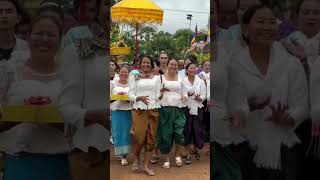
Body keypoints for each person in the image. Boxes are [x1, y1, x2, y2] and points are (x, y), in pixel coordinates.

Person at [230, 5, 308, 180]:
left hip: (282, 150)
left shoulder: (291, 64)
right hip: (243, 148)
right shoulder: (233, 64)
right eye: (261, 22)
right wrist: (246, 106)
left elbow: (302, 105)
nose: (267, 27)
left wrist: (288, 118)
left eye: (272, 23)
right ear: (245, 28)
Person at [0, 15, 70, 180]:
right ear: (28, 36)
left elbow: (81, 126)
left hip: (60, 162)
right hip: (18, 161)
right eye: (39, 33)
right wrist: (8, 122)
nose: (44, 39)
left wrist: (62, 124)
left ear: (60, 40)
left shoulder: (71, 77)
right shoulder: (7, 72)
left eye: (51, 35)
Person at [59, 1, 110, 179]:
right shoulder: (78, 49)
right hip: (91, 154)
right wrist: (95, 116)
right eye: (108, 3)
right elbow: (65, 107)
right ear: (97, 10)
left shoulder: (137, 56)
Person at [128, 55, 161, 176]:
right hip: (139, 110)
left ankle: (146, 165)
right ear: (140, 65)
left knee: (152, 139)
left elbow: (157, 95)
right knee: (138, 136)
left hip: (153, 110)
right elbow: (130, 94)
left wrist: (161, 95)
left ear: (152, 65)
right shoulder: (135, 77)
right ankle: (137, 157)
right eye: (143, 63)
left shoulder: (157, 78)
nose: (146, 65)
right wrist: (138, 97)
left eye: (148, 63)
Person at [157, 58, 188, 169]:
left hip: (178, 108)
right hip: (165, 108)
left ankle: (177, 156)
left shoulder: (182, 78)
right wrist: (161, 92)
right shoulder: (160, 78)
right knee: (165, 134)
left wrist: (185, 97)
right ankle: (166, 159)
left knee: (179, 133)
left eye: (175, 65)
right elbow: (157, 95)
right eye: (171, 64)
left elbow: (184, 92)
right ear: (168, 64)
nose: (173, 66)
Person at [182, 62, 206, 164]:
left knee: (197, 130)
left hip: (197, 108)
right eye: (190, 68)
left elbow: (204, 94)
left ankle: (195, 149)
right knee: (186, 130)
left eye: (194, 68)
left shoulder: (200, 81)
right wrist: (187, 94)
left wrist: (199, 98)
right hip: (186, 108)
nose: (192, 70)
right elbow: (181, 93)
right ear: (186, 70)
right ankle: (187, 153)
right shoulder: (183, 81)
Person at [110, 66, 132, 166]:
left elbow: (133, 99)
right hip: (116, 111)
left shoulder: (131, 85)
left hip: (127, 112)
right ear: (118, 72)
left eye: (126, 72)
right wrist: (116, 98)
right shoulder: (112, 84)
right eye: (122, 72)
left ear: (128, 74)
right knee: (117, 133)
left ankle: (124, 156)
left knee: (126, 134)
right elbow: (108, 98)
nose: (124, 74)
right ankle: (119, 152)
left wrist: (127, 99)